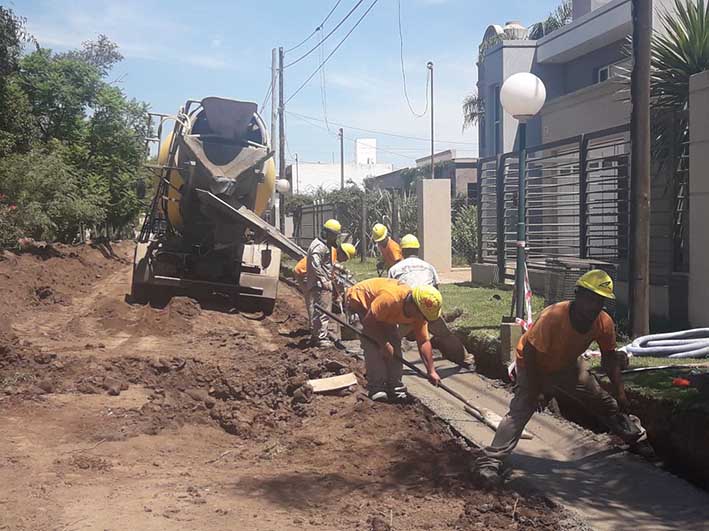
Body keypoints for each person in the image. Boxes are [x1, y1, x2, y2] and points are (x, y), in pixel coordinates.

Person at [473, 270, 647, 488]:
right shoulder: (553, 317)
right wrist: (538, 391)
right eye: (590, 299)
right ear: (578, 295)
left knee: (604, 401)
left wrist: (620, 393)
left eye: (599, 301)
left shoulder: (604, 323)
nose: (593, 306)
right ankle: (490, 461)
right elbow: (530, 353)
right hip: (532, 364)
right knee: (521, 409)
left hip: (566, 365)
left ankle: (633, 438)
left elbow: (609, 359)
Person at [345, 278, 443, 402]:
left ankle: (396, 387)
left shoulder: (420, 313)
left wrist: (431, 370)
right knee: (373, 346)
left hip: (381, 312)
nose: (421, 318)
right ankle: (377, 387)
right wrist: (384, 344)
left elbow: (423, 341)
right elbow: (369, 322)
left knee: (395, 344)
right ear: (412, 304)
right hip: (360, 302)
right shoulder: (391, 299)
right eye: (421, 315)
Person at [388, 234, 473, 366]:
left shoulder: (394, 269)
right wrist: (437, 314)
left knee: (393, 338)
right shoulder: (428, 266)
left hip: (409, 309)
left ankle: (387, 363)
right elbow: (435, 292)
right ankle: (465, 358)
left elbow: (393, 294)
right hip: (427, 306)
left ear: (402, 251)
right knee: (445, 334)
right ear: (417, 250)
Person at [305, 219, 341, 348]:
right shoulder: (319, 247)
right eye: (335, 235)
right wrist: (324, 279)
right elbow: (315, 263)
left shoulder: (320, 244)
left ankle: (316, 335)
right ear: (328, 233)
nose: (335, 238)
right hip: (320, 284)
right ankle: (321, 338)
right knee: (324, 312)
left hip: (318, 283)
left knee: (318, 311)